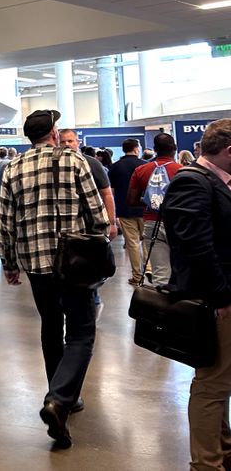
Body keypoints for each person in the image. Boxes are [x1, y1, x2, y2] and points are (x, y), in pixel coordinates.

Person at [0, 110, 108, 449]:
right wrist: (99, 242)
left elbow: (6, 219)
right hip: (74, 262)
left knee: (50, 324)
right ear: (53, 132)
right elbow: (97, 214)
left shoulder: (13, 167)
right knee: (81, 332)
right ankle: (60, 399)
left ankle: (59, 397)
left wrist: (9, 262)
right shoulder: (75, 161)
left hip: (36, 262)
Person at [162, 119, 231, 470]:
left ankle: (222, 447)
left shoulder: (213, 181)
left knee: (220, 379)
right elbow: (196, 246)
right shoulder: (192, 181)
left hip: (218, 296)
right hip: (213, 300)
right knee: (213, 383)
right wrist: (220, 296)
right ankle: (207, 463)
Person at [128, 133, 181, 286]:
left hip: (152, 222)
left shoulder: (141, 170)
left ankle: (162, 308)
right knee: (182, 268)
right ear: (175, 149)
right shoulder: (183, 170)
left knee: (160, 272)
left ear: (155, 149)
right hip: (178, 224)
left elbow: (131, 200)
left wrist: (152, 201)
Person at [60, 129, 118, 242]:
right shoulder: (55, 164)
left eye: (70, 141)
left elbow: (106, 193)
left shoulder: (92, 163)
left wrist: (112, 223)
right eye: (62, 142)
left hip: (91, 224)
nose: (66, 144)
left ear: (78, 142)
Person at [108, 139, 148, 285]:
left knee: (132, 243)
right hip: (144, 209)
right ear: (137, 149)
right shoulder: (145, 165)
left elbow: (110, 191)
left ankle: (137, 275)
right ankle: (148, 269)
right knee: (147, 241)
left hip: (124, 209)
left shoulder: (115, 167)